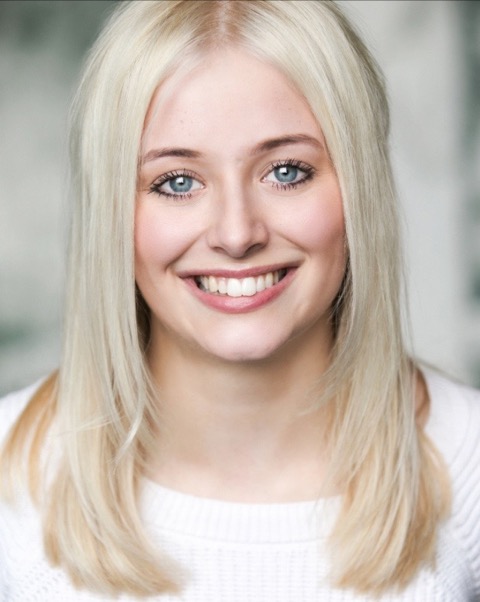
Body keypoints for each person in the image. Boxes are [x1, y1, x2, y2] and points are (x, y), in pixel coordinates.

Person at [1, 1, 479, 600]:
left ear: (359, 186)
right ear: (112, 211)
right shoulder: (8, 479)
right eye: (177, 182)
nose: (236, 233)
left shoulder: (470, 457)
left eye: (286, 171)